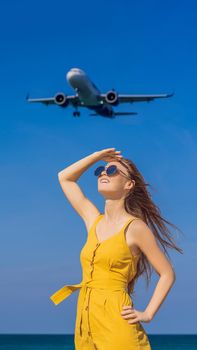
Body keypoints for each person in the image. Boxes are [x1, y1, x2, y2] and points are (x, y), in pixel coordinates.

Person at [50, 147, 183, 350]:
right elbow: (65, 178)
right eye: (100, 171)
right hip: (85, 323)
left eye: (112, 171)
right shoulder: (93, 220)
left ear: (129, 184)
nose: (104, 172)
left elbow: (167, 273)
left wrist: (147, 313)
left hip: (117, 322)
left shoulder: (135, 228)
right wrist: (96, 157)